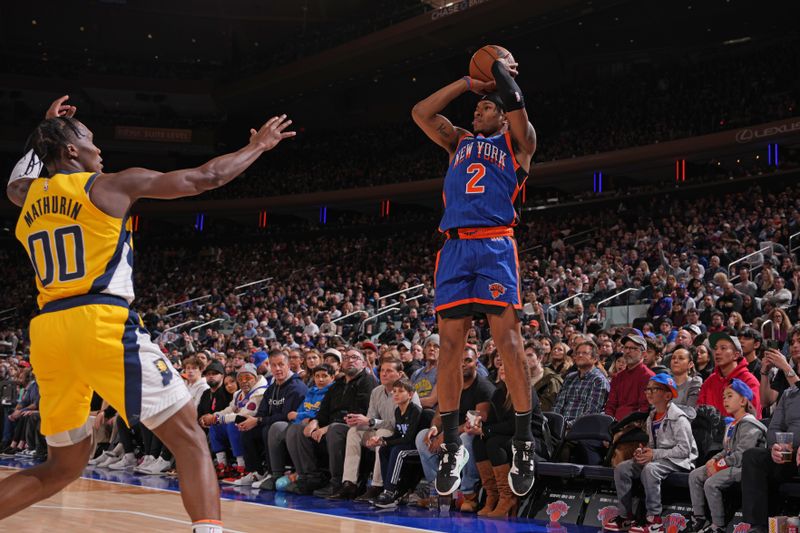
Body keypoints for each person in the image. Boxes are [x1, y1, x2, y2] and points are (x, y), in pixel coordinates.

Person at [2, 95, 294, 532]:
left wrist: (44, 130)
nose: (99, 150)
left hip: (47, 332)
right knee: (190, 439)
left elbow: (15, 182)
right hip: (99, 320)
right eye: (90, 140)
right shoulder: (107, 185)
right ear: (70, 152)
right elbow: (206, 177)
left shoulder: (27, 198)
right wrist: (258, 147)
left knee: (62, 466)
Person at [412, 51, 538, 497]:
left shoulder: (519, 144)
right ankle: (450, 444)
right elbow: (421, 112)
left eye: (486, 107)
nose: (477, 111)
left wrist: (499, 68)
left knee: (508, 342)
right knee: (448, 348)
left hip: (496, 244)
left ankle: (524, 441)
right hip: (455, 247)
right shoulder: (458, 141)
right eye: (477, 107)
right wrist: (470, 82)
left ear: (503, 117)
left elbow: (515, 97)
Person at [603, 374, 698, 533]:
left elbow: (684, 450)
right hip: (660, 457)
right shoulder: (651, 417)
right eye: (647, 389)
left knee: (650, 469)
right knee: (622, 468)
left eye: (654, 389)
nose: (649, 392)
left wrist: (653, 454)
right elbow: (652, 446)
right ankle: (626, 516)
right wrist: (643, 452)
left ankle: (654, 520)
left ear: (668, 395)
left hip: (680, 460)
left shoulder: (679, 419)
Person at [688, 379, 766, 533]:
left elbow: (743, 454)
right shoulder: (732, 424)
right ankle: (700, 518)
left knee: (711, 483)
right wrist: (714, 460)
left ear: (743, 400)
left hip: (746, 468)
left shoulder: (750, 424)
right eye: (724, 397)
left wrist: (718, 466)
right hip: (732, 463)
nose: (725, 400)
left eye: (730, 396)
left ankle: (718, 526)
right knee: (695, 475)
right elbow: (727, 450)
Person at [371, 378, 424, 509]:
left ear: (410, 395)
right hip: (405, 445)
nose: (396, 394)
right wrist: (383, 441)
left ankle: (390, 491)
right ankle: (386, 489)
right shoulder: (397, 411)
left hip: (418, 448)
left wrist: (387, 442)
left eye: (401, 391)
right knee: (383, 449)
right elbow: (397, 435)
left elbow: (408, 438)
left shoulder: (415, 410)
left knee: (398, 451)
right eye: (394, 391)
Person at [697, 333, 761, 418]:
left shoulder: (749, 381)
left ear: (736, 355)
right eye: (716, 348)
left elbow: (753, 417)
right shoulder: (710, 381)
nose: (717, 352)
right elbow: (699, 409)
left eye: (723, 348)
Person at [605, 334, 655, 421]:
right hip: (614, 424)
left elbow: (644, 409)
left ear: (644, 354)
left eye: (633, 348)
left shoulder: (649, 377)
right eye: (625, 348)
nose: (627, 351)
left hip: (635, 426)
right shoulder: (617, 377)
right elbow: (610, 405)